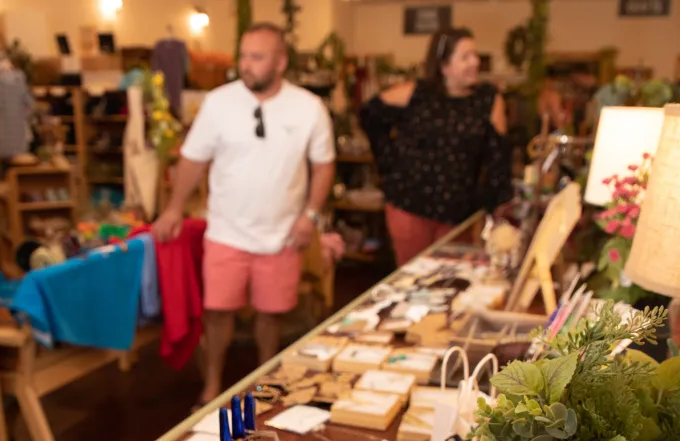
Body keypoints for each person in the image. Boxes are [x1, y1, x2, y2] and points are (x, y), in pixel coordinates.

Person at [153, 22, 336, 405]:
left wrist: (311, 216)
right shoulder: (218, 102)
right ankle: (212, 387)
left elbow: (323, 165)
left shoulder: (309, 108)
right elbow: (191, 160)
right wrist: (172, 209)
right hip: (226, 231)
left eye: (257, 57)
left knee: (272, 316)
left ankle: (264, 386)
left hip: (282, 233)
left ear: (281, 61)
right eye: (243, 56)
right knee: (217, 312)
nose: (246, 65)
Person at [361, 28, 513, 267]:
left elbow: (499, 162)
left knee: (452, 282)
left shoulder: (488, 100)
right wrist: (388, 164)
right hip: (409, 207)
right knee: (413, 283)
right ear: (444, 66)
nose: (475, 62)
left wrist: (497, 211)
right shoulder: (418, 94)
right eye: (465, 57)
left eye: (475, 55)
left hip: (459, 214)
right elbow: (369, 114)